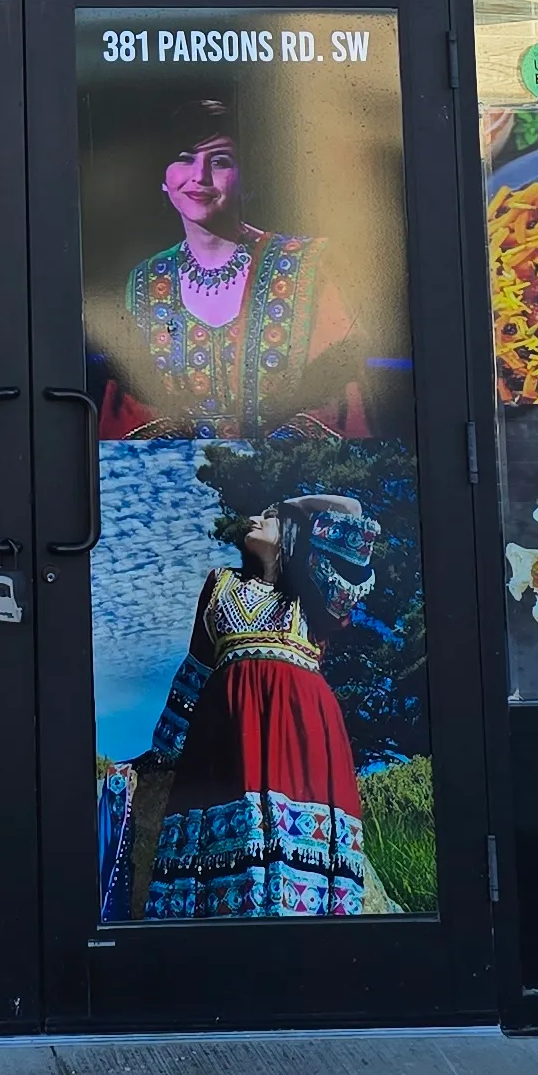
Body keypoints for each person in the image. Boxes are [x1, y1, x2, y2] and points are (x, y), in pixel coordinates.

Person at [134, 496, 388, 920]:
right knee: (224, 839)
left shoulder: (316, 589)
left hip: (301, 725)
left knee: (291, 840)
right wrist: (164, 750)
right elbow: (196, 668)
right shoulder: (220, 583)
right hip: (225, 727)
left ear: (291, 531)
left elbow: (355, 519)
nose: (252, 519)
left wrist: (293, 504)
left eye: (267, 517)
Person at [88, 94, 375, 440]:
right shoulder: (147, 279)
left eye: (220, 161)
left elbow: (340, 390)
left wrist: (261, 462)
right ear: (164, 179)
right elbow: (131, 407)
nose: (200, 176)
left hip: (293, 482)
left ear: (246, 181)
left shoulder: (307, 266)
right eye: (185, 159)